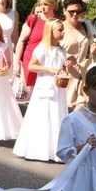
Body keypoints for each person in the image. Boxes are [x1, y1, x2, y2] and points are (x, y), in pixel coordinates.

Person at [13, 18, 71, 162]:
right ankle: (38, 149)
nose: (63, 33)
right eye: (60, 30)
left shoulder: (62, 49)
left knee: (56, 114)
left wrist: (67, 66)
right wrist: (50, 69)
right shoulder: (42, 48)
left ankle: (55, 149)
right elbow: (32, 66)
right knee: (43, 115)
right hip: (45, 84)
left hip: (58, 87)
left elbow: (61, 66)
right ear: (51, 32)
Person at [14, 0, 59, 93]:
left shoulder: (58, 22)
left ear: (54, 6)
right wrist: (16, 63)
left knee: (47, 92)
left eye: (46, 4)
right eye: (40, 4)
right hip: (31, 62)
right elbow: (21, 41)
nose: (42, 7)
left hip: (49, 63)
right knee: (31, 93)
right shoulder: (33, 19)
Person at [60, 0, 93, 109]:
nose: (75, 14)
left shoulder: (85, 26)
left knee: (82, 109)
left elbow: (90, 45)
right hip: (67, 75)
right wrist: (66, 57)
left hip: (84, 73)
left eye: (78, 11)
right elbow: (51, 49)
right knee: (65, 109)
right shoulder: (59, 28)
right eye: (71, 11)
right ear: (64, 11)